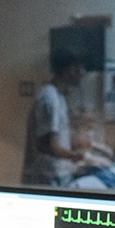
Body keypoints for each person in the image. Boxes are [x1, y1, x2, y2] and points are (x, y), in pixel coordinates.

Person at [22, 50, 89, 185]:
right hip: (45, 178)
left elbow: (55, 138)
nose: (83, 73)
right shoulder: (49, 98)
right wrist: (75, 156)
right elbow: (48, 146)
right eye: (79, 68)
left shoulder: (59, 97)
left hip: (54, 174)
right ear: (69, 69)